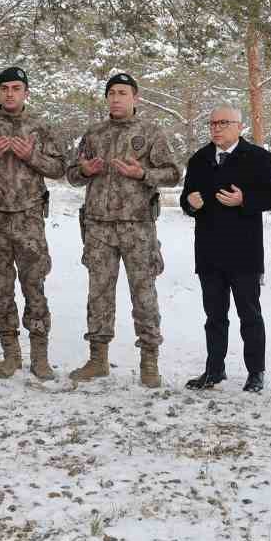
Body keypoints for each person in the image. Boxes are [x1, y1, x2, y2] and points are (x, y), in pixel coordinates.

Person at [66, 72, 181, 388]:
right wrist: (84, 170)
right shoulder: (94, 133)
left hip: (137, 227)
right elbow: (72, 174)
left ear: (135, 98)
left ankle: (149, 361)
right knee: (98, 294)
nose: (116, 98)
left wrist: (143, 173)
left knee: (143, 294)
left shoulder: (151, 132)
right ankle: (98, 358)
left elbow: (173, 173)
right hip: (99, 228)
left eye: (122, 93)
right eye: (111, 93)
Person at [179, 106, 271, 392]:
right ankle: (214, 370)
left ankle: (256, 372)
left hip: (244, 252)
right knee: (214, 316)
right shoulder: (199, 159)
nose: (216, 128)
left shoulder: (259, 158)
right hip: (209, 251)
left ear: (240, 126)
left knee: (249, 314)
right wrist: (191, 204)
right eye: (212, 123)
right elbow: (185, 199)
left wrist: (244, 199)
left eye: (223, 123)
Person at [0, 66, 66, 381]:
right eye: (5, 89)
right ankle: (10, 355)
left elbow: (60, 169)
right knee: (1, 290)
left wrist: (32, 156)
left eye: (16, 88)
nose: (10, 93)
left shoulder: (41, 128)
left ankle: (40, 357)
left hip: (29, 220)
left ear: (26, 92)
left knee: (34, 288)